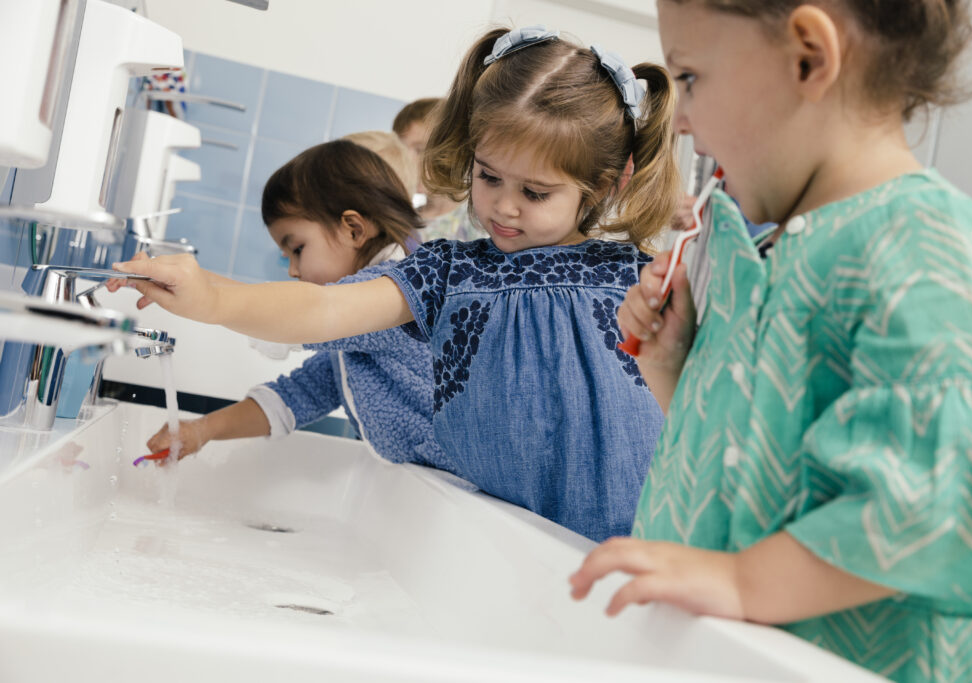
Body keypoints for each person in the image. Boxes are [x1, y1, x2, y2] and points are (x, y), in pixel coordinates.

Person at [569, 2, 972, 681]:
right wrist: (674, 370)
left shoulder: (926, 248)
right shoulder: (783, 251)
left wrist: (746, 581)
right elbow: (751, 465)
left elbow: (935, 500)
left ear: (809, 57)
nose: (682, 118)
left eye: (690, 77)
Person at [114, 26, 681, 542]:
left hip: (645, 542)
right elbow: (324, 310)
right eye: (488, 176)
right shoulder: (447, 273)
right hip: (512, 544)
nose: (504, 206)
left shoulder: (637, 277)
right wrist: (212, 296)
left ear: (606, 185)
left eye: (535, 193)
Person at [139, 139, 446, 470]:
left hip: (455, 492)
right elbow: (301, 394)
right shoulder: (362, 337)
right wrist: (201, 430)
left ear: (354, 230)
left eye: (297, 249)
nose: (293, 270)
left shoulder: (396, 295)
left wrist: (206, 297)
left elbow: (309, 312)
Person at [393, 96, 486, 241]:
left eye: (420, 150)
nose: (408, 161)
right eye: (401, 151)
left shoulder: (479, 219)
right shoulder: (403, 222)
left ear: (454, 150)